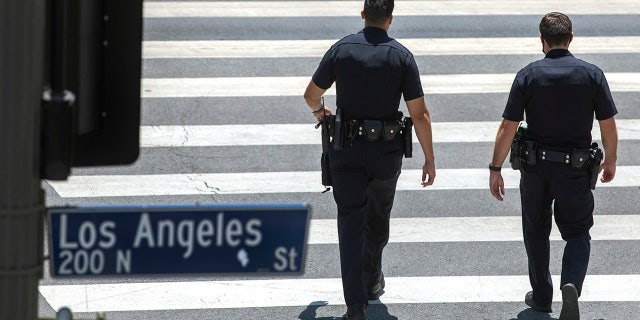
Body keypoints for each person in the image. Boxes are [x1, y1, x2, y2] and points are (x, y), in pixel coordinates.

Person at [303, 1, 436, 319]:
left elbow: (310, 94)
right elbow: (419, 114)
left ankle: (355, 306)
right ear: (390, 18)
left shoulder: (342, 49)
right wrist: (429, 159)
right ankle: (372, 280)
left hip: (346, 150)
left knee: (350, 223)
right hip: (385, 154)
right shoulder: (401, 56)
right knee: (378, 220)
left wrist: (321, 113)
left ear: (363, 15)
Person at [488, 12, 618, 320]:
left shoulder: (529, 75)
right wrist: (610, 159)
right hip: (576, 168)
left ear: (542, 40)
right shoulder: (592, 74)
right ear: (571, 38)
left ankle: (542, 297)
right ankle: (570, 283)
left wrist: (495, 168)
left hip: (535, 168)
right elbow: (607, 125)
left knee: (535, 231)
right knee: (577, 233)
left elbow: (509, 126)